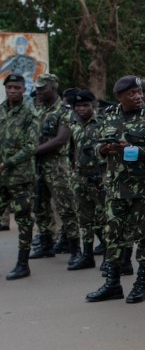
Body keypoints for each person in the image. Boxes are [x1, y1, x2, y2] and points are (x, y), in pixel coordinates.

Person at [85, 76, 145, 303]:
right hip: (116, 187)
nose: (138, 96)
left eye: (139, 92)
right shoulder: (108, 115)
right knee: (114, 235)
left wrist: (132, 150)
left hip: (143, 188)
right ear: (119, 97)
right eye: (131, 93)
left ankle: (141, 283)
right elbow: (95, 145)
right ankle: (113, 284)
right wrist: (103, 149)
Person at [29, 74, 80, 264]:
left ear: (53, 87)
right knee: (40, 207)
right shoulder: (38, 110)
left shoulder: (65, 111)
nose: (40, 91)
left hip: (57, 166)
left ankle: (75, 248)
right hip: (38, 166)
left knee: (66, 207)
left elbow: (61, 139)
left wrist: (31, 151)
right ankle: (46, 244)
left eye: (43, 88)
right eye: (39, 88)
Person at [1, 74, 37, 280]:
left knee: (23, 220)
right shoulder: (1, 110)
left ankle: (23, 264)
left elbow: (31, 147)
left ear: (24, 90)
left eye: (16, 87)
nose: (12, 90)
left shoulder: (29, 113)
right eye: (9, 87)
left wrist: (7, 163)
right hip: (2, 177)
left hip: (21, 177)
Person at [67, 89, 105, 271]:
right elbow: (72, 150)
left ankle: (109, 256)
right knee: (84, 219)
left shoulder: (102, 123)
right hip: (80, 178)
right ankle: (87, 255)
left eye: (85, 105)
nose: (81, 109)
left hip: (98, 178)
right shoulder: (73, 124)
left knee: (103, 219)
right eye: (78, 106)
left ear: (93, 106)